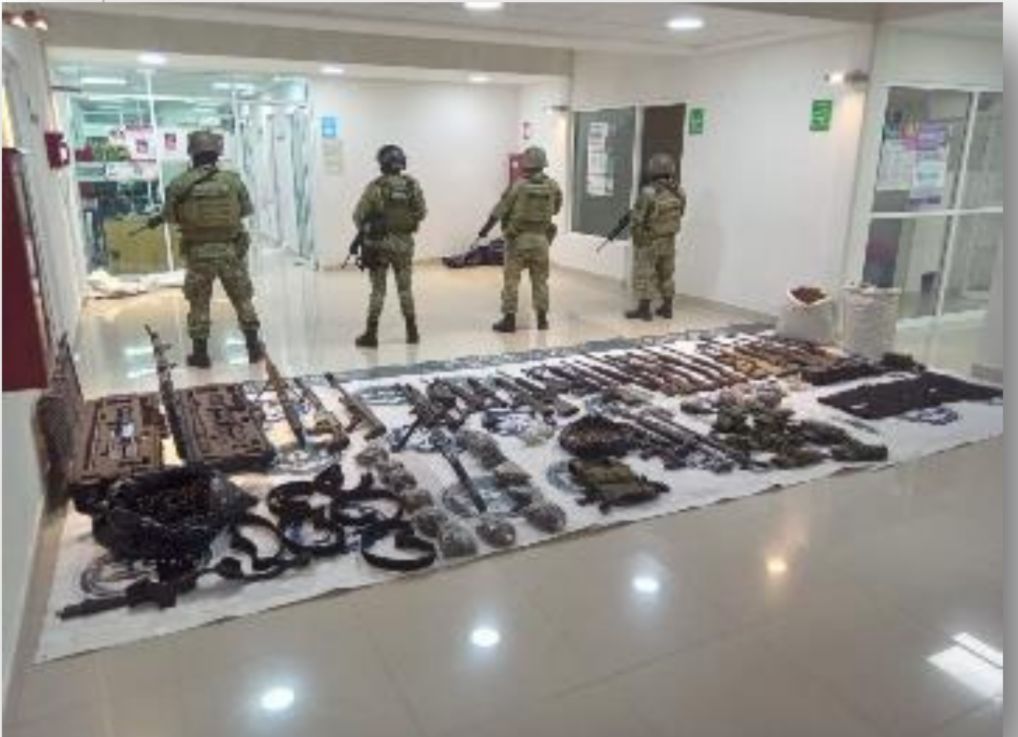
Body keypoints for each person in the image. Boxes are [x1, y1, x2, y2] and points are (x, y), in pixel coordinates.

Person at [156, 130, 262, 368]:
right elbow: (245, 210)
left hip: (198, 253)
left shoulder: (180, 184)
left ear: (191, 153)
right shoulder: (233, 181)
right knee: (243, 299)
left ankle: (201, 355)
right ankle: (254, 349)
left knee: (199, 302)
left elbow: (170, 217)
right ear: (217, 153)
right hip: (230, 251)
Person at [353, 144, 427, 348]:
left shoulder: (375, 187)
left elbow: (358, 216)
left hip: (379, 247)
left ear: (382, 164)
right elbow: (421, 213)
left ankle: (371, 334)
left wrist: (370, 226)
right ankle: (412, 332)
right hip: (404, 246)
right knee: (405, 289)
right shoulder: (412, 185)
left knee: (378, 290)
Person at [485, 145, 562, 333]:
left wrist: (484, 230)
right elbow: (556, 209)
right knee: (540, 281)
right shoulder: (553, 186)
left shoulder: (518, 185)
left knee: (511, 281)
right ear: (543, 163)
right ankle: (542, 320)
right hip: (541, 240)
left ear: (526, 163)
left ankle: (509, 320)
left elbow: (500, 210)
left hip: (517, 240)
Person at [625, 152, 687, 321]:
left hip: (650, 240)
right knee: (666, 275)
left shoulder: (649, 192)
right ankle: (667, 308)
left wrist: (638, 239)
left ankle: (644, 310)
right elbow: (681, 213)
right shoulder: (679, 192)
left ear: (652, 170)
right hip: (669, 241)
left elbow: (638, 219)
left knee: (645, 273)